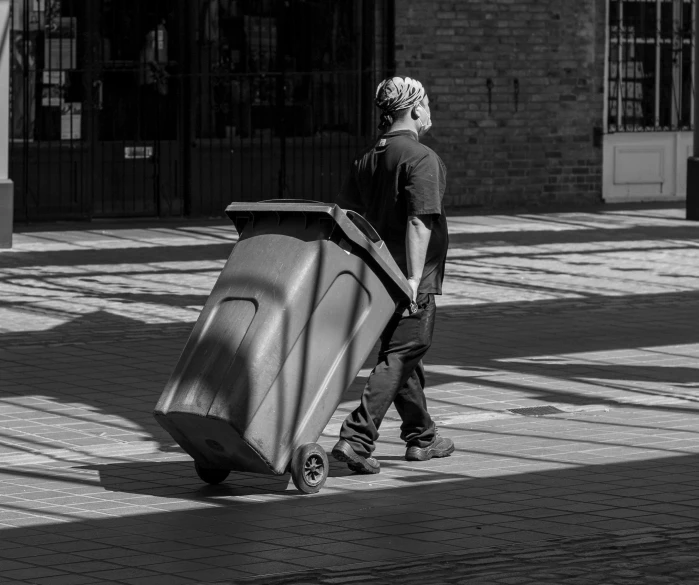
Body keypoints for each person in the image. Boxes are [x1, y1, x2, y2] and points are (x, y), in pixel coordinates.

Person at [331, 76, 454, 474]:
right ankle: (356, 438)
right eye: (428, 104)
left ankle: (422, 437)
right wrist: (415, 280)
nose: (430, 112)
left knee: (404, 357)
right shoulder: (421, 158)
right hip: (409, 279)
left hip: (378, 277)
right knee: (401, 355)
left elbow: (347, 219)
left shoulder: (366, 159)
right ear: (416, 109)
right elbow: (420, 222)